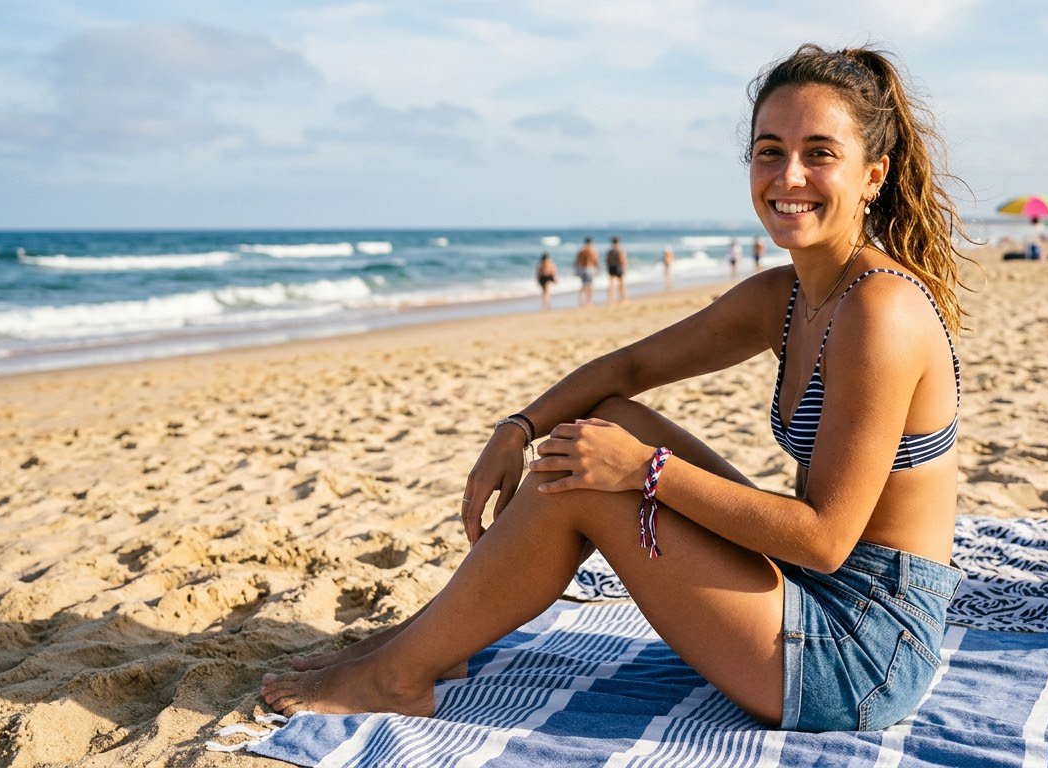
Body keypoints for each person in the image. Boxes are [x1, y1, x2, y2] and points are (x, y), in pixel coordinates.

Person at [262, 43, 972, 734]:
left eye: (820, 153)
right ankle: (417, 648)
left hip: (861, 655)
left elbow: (822, 540)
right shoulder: (785, 297)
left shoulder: (881, 311)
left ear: (873, 174)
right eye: (768, 150)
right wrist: (516, 429)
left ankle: (397, 677)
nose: (788, 176)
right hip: (814, 593)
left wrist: (645, 472)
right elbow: (625, 371)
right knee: (607, 420)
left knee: (599, 472)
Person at [574, 237, 599, 306]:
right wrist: (597, 269)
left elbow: (576, 261)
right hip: (589, 268)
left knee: (583, 285)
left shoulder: (581, 250)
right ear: (591, 242)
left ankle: (580, 299)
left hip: (582, 268)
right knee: (590, 285)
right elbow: (595, 260)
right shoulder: (592, 250)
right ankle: (589, 301)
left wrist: (576, 270)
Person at [605, 236, 628, 304]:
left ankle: (611, 298)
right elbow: (623, 260)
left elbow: (607, 260)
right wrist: (625, 267)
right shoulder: (620, 250)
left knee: (611, 283)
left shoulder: (610, 251)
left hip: (611, 267)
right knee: (622, 283)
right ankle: (623, 298)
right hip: (619, 267)